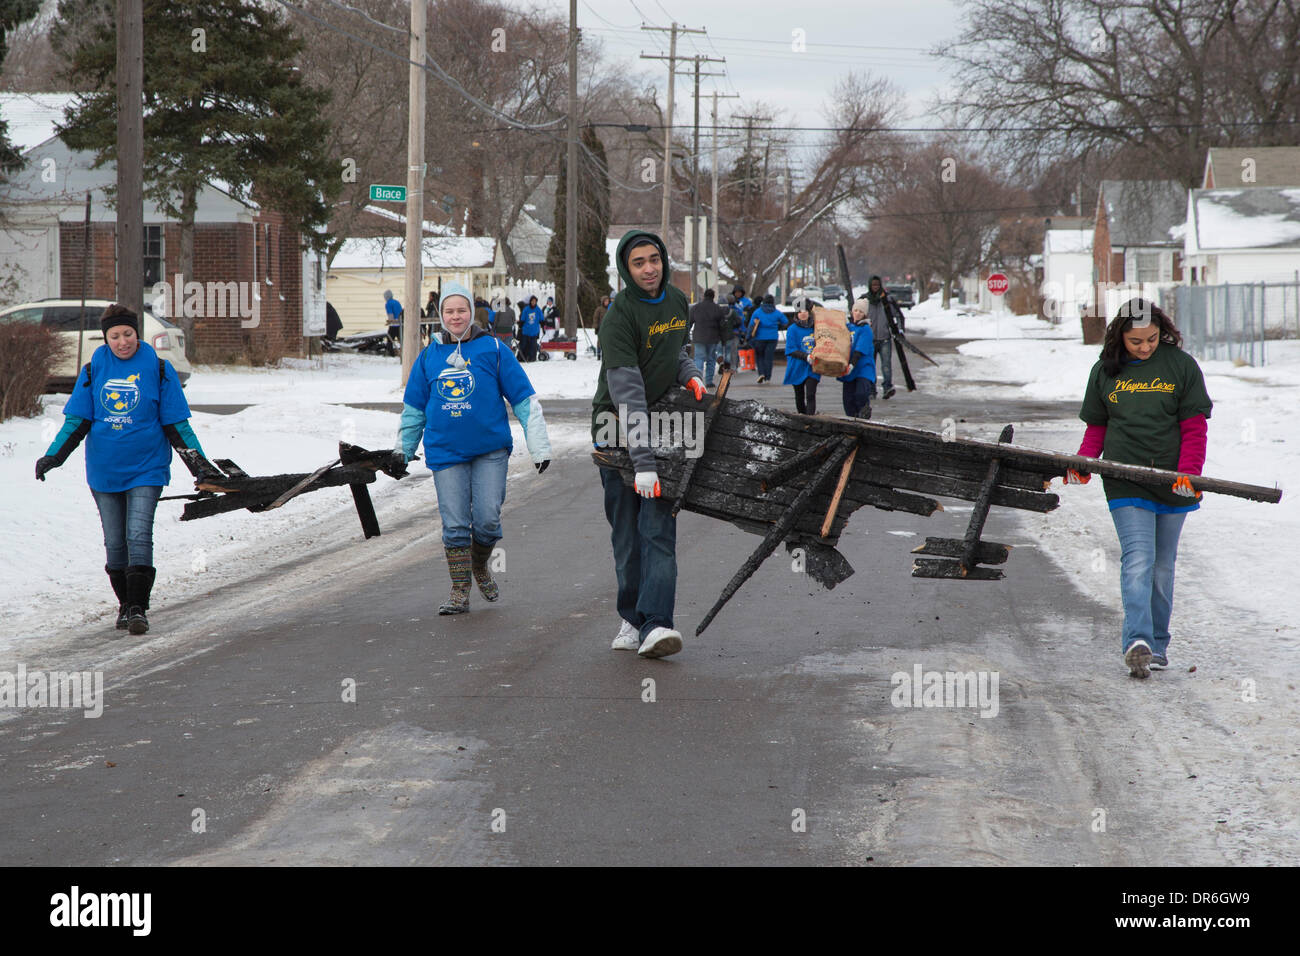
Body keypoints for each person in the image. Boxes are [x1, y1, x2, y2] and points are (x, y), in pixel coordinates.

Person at [35, 303, 207, 635]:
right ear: (106, 338)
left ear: (137, 333)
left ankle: (138, 608)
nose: (122, 341)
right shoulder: (93, 368)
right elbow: (77, 421)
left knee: (138, 535)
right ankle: (125, 605)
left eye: (128, 334)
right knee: (115, 543)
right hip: (104, 470)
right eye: (115, 336)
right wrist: (53, 456)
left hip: (147, 467)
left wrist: (200, 464)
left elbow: (177, 424)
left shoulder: (158, 368)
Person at [1067, 298, 1212, 678]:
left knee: (1162, 569)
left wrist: (1189, 474)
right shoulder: (1106, 371)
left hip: (1174, 482)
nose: (1145, 347)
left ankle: (1158, 646)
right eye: (1136, 342)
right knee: (1138, 559)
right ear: (1120, 337)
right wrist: (1084, 463)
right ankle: (1137, 640)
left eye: (1152, 339)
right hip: (1124, 480)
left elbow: (1194, 427)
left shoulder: (1180, 366)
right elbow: (1097, 427)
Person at [395, 281, 552, 615]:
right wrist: (402, 451)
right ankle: (460, 588)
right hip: (445, 453)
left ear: (471, 312)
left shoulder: (494, 350)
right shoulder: (429, 357)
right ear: (441, 315)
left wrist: (539, 447)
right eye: (449, 311)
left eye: (461, 310)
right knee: (454, 526)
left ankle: (480, 565)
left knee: (486, 521)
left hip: (489, 451)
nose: (455, 316)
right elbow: (414, 410)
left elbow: (524, 400)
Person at [592, 229, 706, 659]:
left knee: (657, 527)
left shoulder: (678, 302)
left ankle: (657, 624)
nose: (648, 269)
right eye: (638, 262)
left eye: (653, 259)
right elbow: (628, 393)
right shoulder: (619, 316)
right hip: (613, 427)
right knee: (627, 533)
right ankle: (632, 617)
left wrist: (689, 373)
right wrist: (642, 462)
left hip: (664, 424)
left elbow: (674, 349)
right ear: (626, 268)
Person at [860, 277, 896, 399]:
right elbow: (856, 315)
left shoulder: (887, 299)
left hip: (885, 337)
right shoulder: (864, 299)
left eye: (877, 284)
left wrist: (898, 330)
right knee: (870, 365)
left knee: (886, 365)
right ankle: (871, 390)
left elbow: (897, 315)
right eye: (873, 285)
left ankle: (887, 387)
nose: (875, 287)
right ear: (870, 285)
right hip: (869, 339)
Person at [783, 296, 820, 414]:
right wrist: (806, 357)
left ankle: (810, 421)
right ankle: (802, 418)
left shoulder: (816, 327)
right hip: (797, 366)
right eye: (800, 312)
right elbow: (790, 349)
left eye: (805, 311)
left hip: (812, 367)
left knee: (810, 394)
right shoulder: (792, 329)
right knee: (799, 396)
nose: (803, 314)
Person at [840, 300, 876, 418]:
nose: (857, 313)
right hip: (848, 368)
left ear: (864, 314)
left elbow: (860, 349)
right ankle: (853, 420)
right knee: (848, 400)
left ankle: (864, 414)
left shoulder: (866, 329)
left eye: (861, 311)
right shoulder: (848, 327)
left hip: (863, 367)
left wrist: (852, 364)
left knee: (861, 394)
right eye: (856, 310)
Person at [689, 288, 727, 388]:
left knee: (699, 359)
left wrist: (686, 335)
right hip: (713, 338)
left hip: (699, 337)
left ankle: (698, 381)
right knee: (711, 360)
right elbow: (722, 326)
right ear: (713, 297)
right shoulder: (717, 308)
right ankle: (709, 381)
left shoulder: (696, 307)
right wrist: (723, 340)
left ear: (704, 296)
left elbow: (689, 322)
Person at [747, 294, 786, 383]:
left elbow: (751, 325)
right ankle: (768, 377)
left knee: (760, 356)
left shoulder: (758, 312)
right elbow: (785, 321)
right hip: (772, 338)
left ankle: (761, 373)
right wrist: (778, 325)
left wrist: (748, 336)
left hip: (759, 338)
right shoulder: (777, 312)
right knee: (769, 357)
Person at [518, 295, 543, 362]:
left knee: (533, 346)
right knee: (523, 345)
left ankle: (532, 358)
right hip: (526, 331)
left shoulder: (538, 309)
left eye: (535, 301)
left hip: (534, 331)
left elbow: (541, 319)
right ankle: (520, 357)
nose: (533, 302)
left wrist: (543, 326)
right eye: (532, 301)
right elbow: (523, 318)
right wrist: (521, 325)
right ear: (530, 302)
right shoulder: (526, 309)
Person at [592, 293, 612, 360]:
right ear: (603, 302)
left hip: (608, 327)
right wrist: (596, 326)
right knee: (600, 342)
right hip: (601, 327)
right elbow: (595, 318)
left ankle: (605, 354)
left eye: (607, 301)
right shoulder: (599, 309)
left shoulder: (610, 308)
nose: (606, 302)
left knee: (608, 341)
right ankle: (598, 354)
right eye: (605, 301)